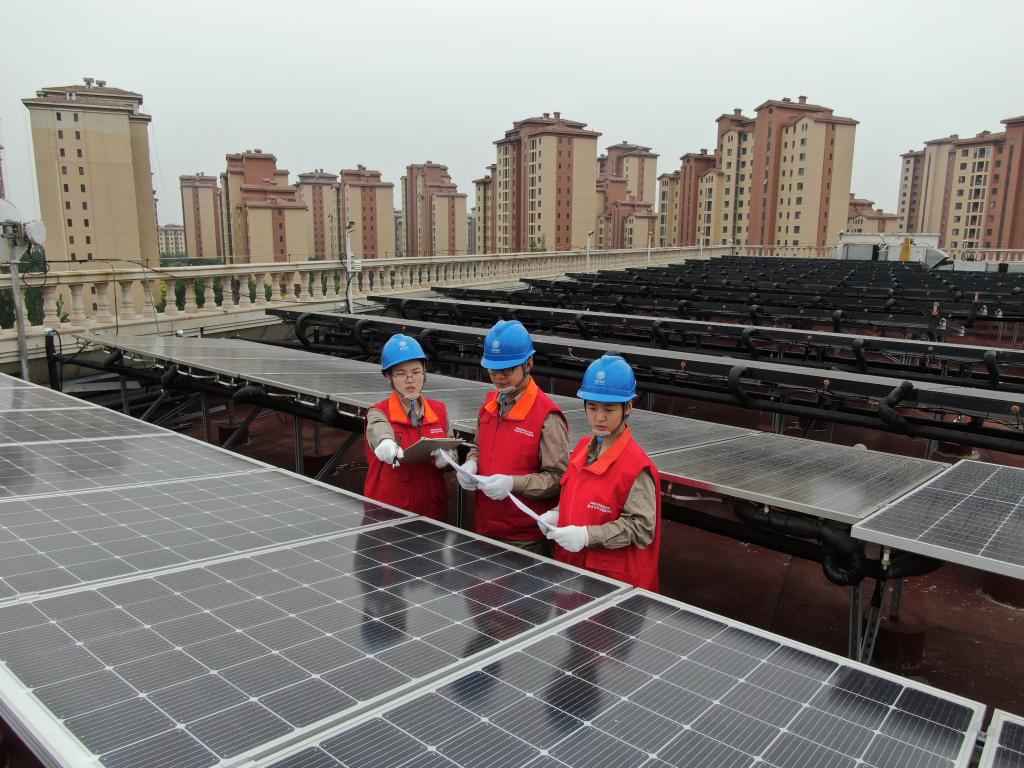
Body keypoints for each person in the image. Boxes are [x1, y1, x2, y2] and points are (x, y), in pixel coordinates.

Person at [540, 355, 662, 590]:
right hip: (573, 570)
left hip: (610, 582)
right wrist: (557, 514)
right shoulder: (582, 448)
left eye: (608, 409)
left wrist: (588, 536)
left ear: (628, 407)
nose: (599, 417)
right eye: (592, 407)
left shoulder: (636, 466)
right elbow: (577, 497)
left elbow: (641, 528)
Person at [457, 320, 569, 554]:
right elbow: (478, 447)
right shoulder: (489, 405)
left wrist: (512, 483)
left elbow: (557, 478)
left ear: (529, 363)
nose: (499, 377)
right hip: (485, 526)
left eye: (507, 370)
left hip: (523, 537)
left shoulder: (547, 416)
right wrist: (472, 463)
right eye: (493, 370)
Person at [363, 333, 454, 521]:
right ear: (388, 376)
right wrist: (385, 443)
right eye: (401, 373)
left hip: (433, 512)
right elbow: (378, 429)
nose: (410, 379)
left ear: (424, 372)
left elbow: (451, 446)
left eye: (416, 372)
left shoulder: (439, 411)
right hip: (390, 516)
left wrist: (449, 458)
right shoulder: (378, 412)